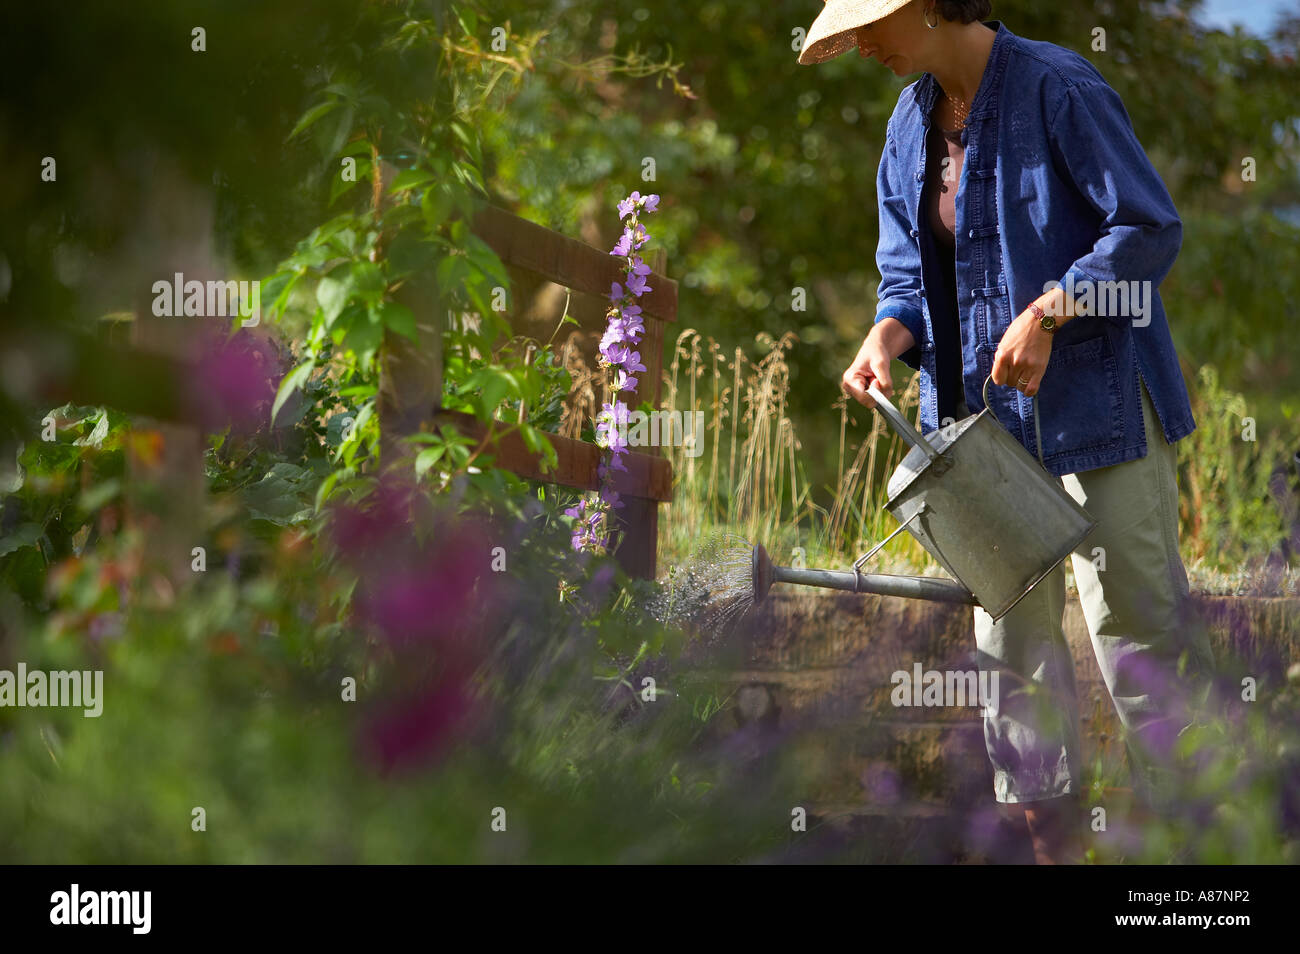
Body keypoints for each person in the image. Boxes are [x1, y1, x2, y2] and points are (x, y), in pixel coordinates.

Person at [798, 0, 1217, 863]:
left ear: (926, 5)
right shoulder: (907, 124)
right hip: (977, 432)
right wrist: (886, 334)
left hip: (1097, 406)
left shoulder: (1059, 86)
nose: (862, 40)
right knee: (1010, 646)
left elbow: (1147, 229)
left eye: (873, 20)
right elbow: (906, 279)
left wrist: (1050, 312)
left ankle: (1197, 869)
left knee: (1133, 628)